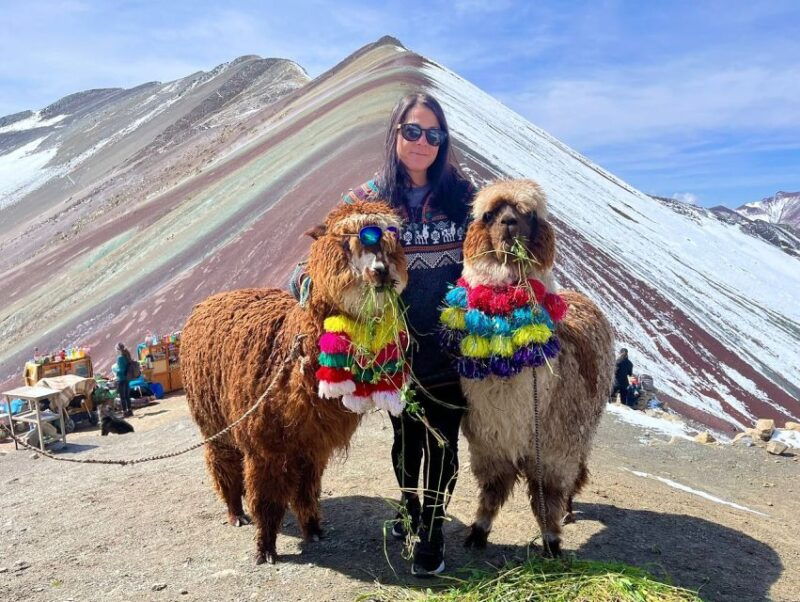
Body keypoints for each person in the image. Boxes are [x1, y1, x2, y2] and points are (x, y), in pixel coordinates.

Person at [291, 92, 473, 576]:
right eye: (412, 131)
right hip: (391, 350)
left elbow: (491, 251)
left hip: (451, 347)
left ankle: (429, 532)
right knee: (406, 439)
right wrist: (311, 285)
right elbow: (321, 258)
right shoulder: (365, 201)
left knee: (444, 442)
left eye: (433, 134)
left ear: (443, 142)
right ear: (395, 134)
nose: (422, 142)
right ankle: (410, 507)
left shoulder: (463, 198)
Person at [113, 342, 134, 417]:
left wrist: (115, 370)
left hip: (121, 379)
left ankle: (125, 412)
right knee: (127, 396)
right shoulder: (127, 356)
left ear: (118, 350)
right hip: (127, 379)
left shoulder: (120, 358)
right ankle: (130, 411)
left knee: (122, 397)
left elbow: (120, 370)